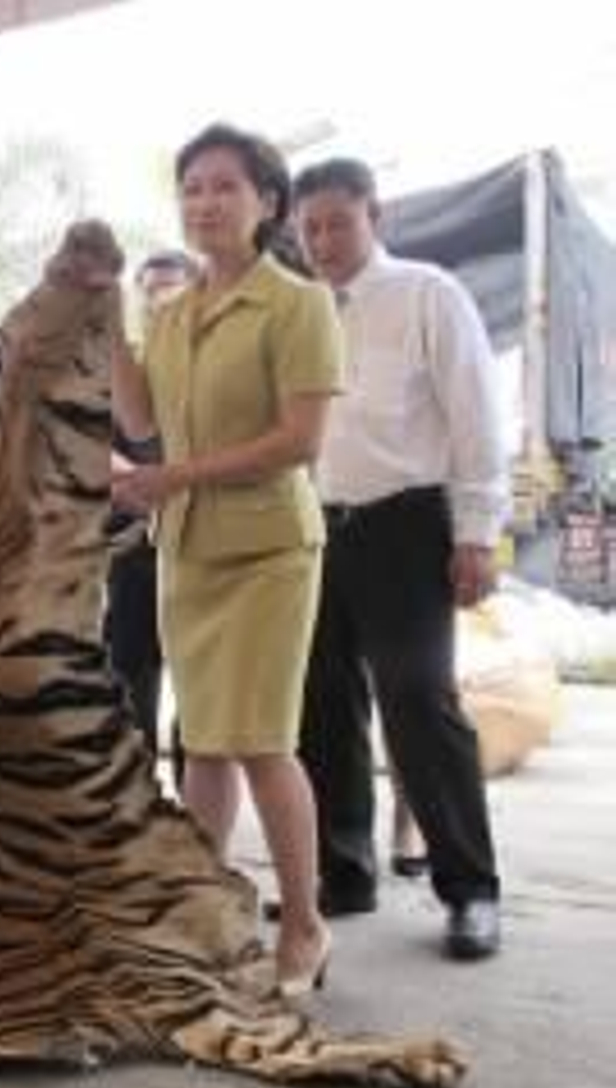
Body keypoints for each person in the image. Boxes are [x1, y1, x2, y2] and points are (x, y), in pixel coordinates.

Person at [108, 123, 342, 1000]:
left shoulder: (298, 304)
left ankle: (307, 925)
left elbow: (300, 439)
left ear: (266, 202)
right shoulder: (171, 312)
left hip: (271, 550)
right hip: (188, 549)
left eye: (223, 187)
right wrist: (105, 330)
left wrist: (171, 476)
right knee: (202, 747)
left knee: (260, 743)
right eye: (192, 188)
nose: (205, 202)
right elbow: (139, 421)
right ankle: (210, 922)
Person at [293, 156, 507, 959]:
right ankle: (343, 876)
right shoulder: (299, 308)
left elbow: (475, 415)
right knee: (320, 704)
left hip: (406, 524)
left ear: (373, 217)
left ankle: (471, 889)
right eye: (308, 227)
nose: (321, 240)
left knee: (418, 700)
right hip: (314, 527)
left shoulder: (426, 293)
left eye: (337, 222)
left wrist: (475, 533)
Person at [105, 251, 197, 761]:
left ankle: (198, 801)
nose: (158, 298)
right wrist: (127, 478)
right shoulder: (124, 364)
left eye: (171, 287)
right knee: (132, 672)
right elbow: (94, 441)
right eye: (149, 289)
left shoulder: (214, 358)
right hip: (133, 546)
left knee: (199, 682)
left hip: (202, 537)